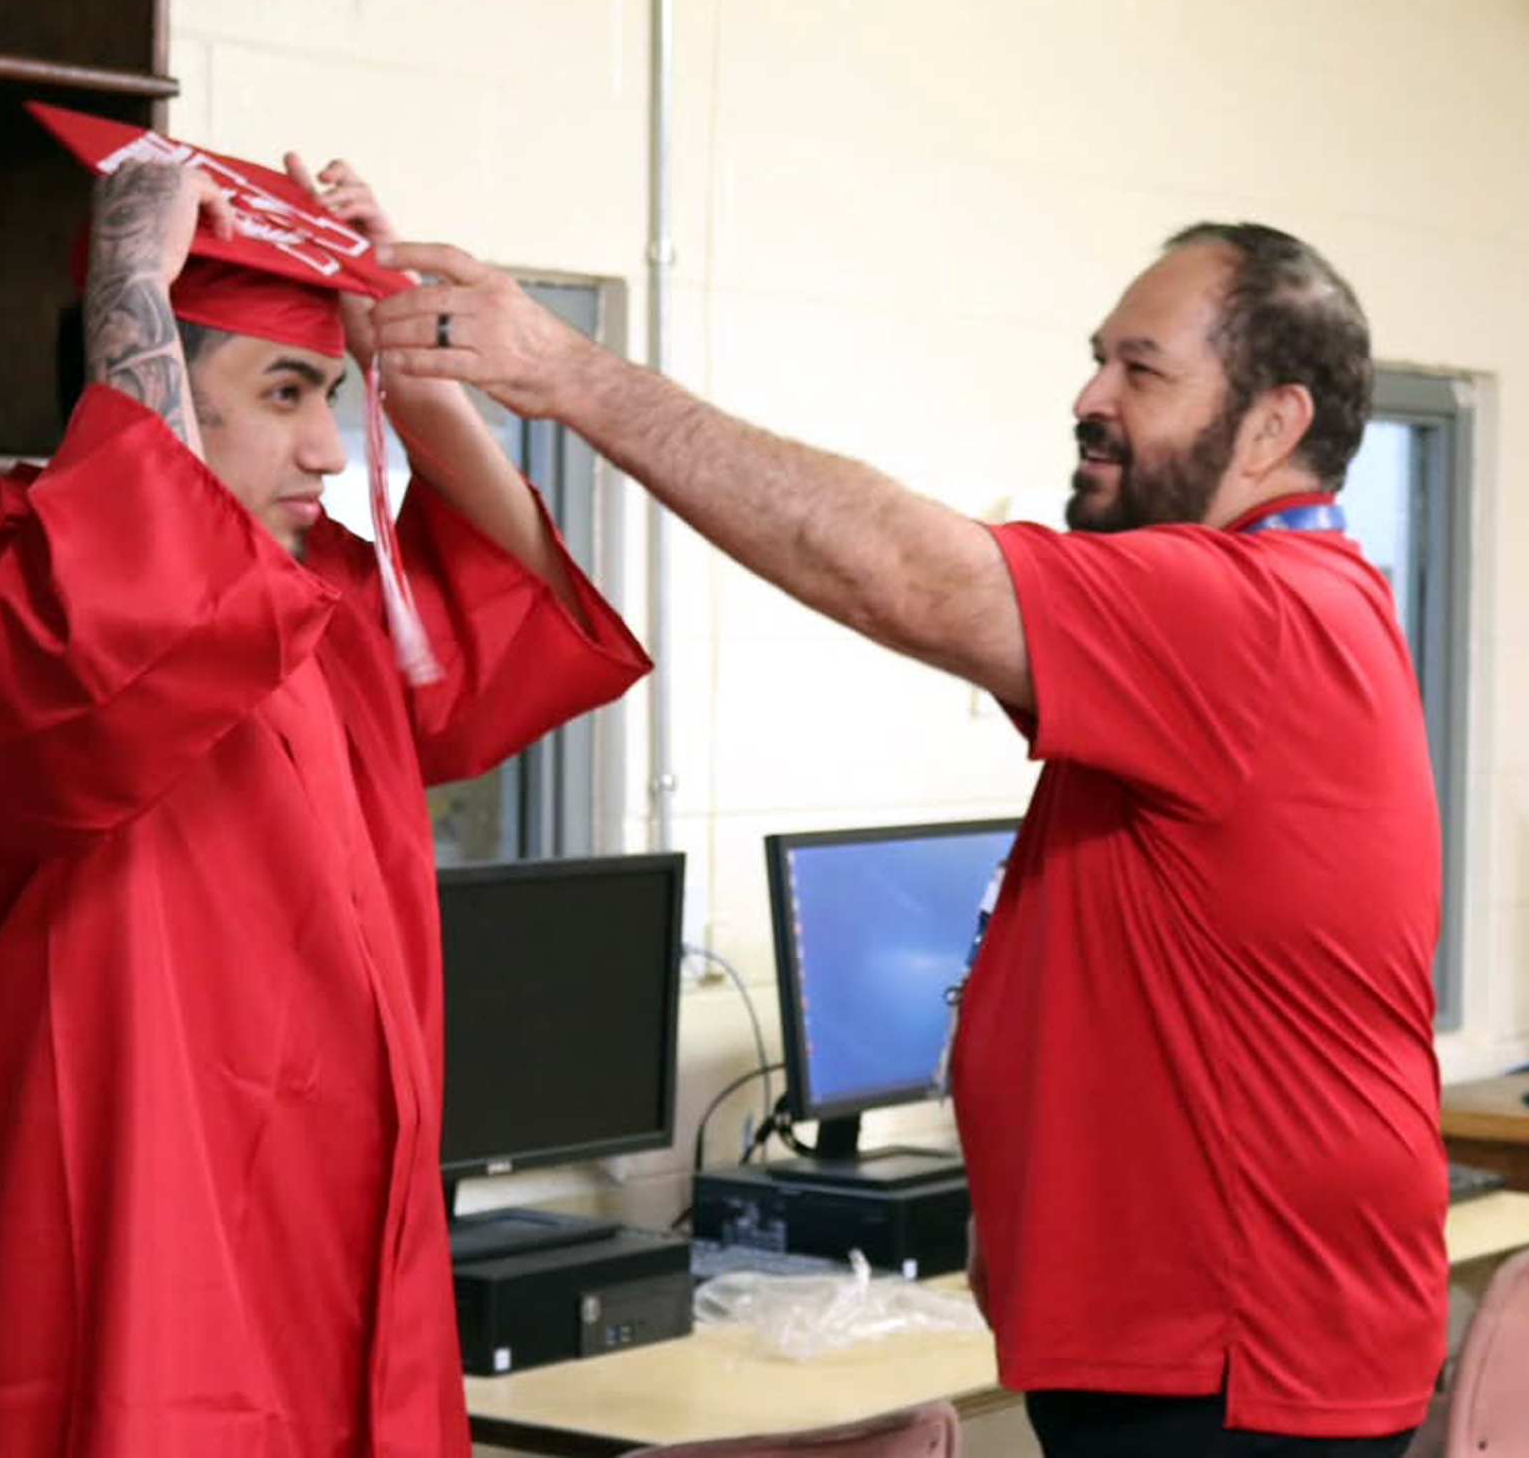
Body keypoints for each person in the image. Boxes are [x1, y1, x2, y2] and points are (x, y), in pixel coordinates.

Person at [368, 223, 1444, 1456]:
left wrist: (568, 373)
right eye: (1095, 360)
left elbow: (891, 570)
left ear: (1270, 424)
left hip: (1232, 1368)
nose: (1088, 400)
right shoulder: (1277, 616)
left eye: (1140, 372)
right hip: (1216, 1347)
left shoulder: (1245, 616)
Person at [0, 132, 649, 1456]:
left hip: (349, 1259)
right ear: (132, 362)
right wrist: (130, 294)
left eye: (334, 395)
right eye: (285, 392)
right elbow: (115, 644)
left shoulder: (319, 598)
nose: (331, 453)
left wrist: (400, 352)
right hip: (135, 1269)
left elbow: (522, 620)